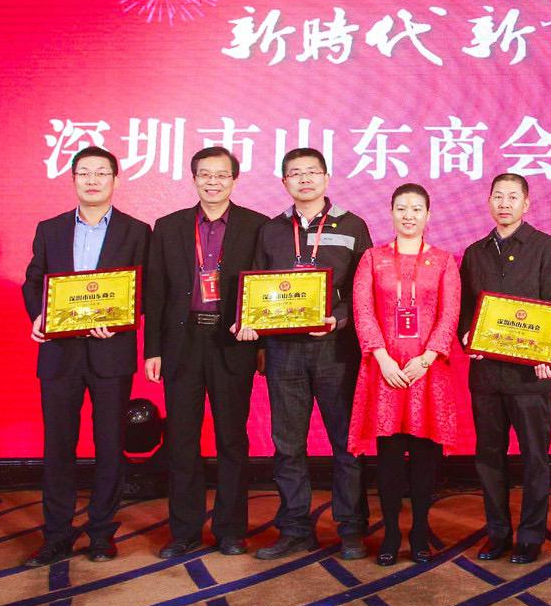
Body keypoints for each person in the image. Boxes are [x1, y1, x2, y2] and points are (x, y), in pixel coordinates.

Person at [238, 148, 372, 561]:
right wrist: (258, 338)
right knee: (288, 445)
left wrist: (338, 319)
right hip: (284, 352)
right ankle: (295, 529)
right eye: (295, 173)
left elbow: (364, 290)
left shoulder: (353, 226)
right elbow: (258, 289)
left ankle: (351, 530)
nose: (305, 179)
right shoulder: (271, 230)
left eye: (312, 172)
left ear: (327, 178)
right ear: (284, 182)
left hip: (336, 350)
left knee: (346, 444)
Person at [21, 146, 151, 566]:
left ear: (115, 180)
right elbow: (34, 280)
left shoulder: (137, 231)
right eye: (84, 173)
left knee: (110, 445)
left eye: (101, 172)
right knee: (58, 445)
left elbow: (146, 289)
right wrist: (39, 315)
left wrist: (122, 320)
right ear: (73, 179)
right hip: (59, 353)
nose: (92, 180)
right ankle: (57, 535)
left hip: (110, 351)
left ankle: (100, 534)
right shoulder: (50, 229)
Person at [144, 147, 267, 558]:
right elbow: (155, 292)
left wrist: (261, 342)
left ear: (235, 179)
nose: (213, 182)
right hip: (182, 344)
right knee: (182, 440)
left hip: (232, 343)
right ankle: (184, 531)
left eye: (221, 175)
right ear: (194, 178)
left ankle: (231, 530)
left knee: (232, 439)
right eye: (205, 175)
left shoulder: (257, 226)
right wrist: (153, 349)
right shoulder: (169, 226)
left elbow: (265, 287)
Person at [349, 183, 461, 565]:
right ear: (391, 212)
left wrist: (426, 358)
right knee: (390, 459)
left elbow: (450, 314)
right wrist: (382, 359)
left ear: (428, 215)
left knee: (426, 458)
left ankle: (419, 532)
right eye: (401, 208)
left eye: (416, 209)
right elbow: (363, 311)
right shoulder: (372, 259)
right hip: (386, 372)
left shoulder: (444, 261)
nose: (409, 215)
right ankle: (391, 533)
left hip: (428, 372)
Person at [458, 173, 551, 565]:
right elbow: (465, 310)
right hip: (487, 376)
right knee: (489, 458)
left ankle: (531, 536)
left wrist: (548, 354)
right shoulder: (474, 253)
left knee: (535, 458)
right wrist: (467, 336)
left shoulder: (545, 247)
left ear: (526, 203)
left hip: (529, 377)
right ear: (489, 202)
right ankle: (498, 534)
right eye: (498, 197)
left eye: (513, 197)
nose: (505, 204)